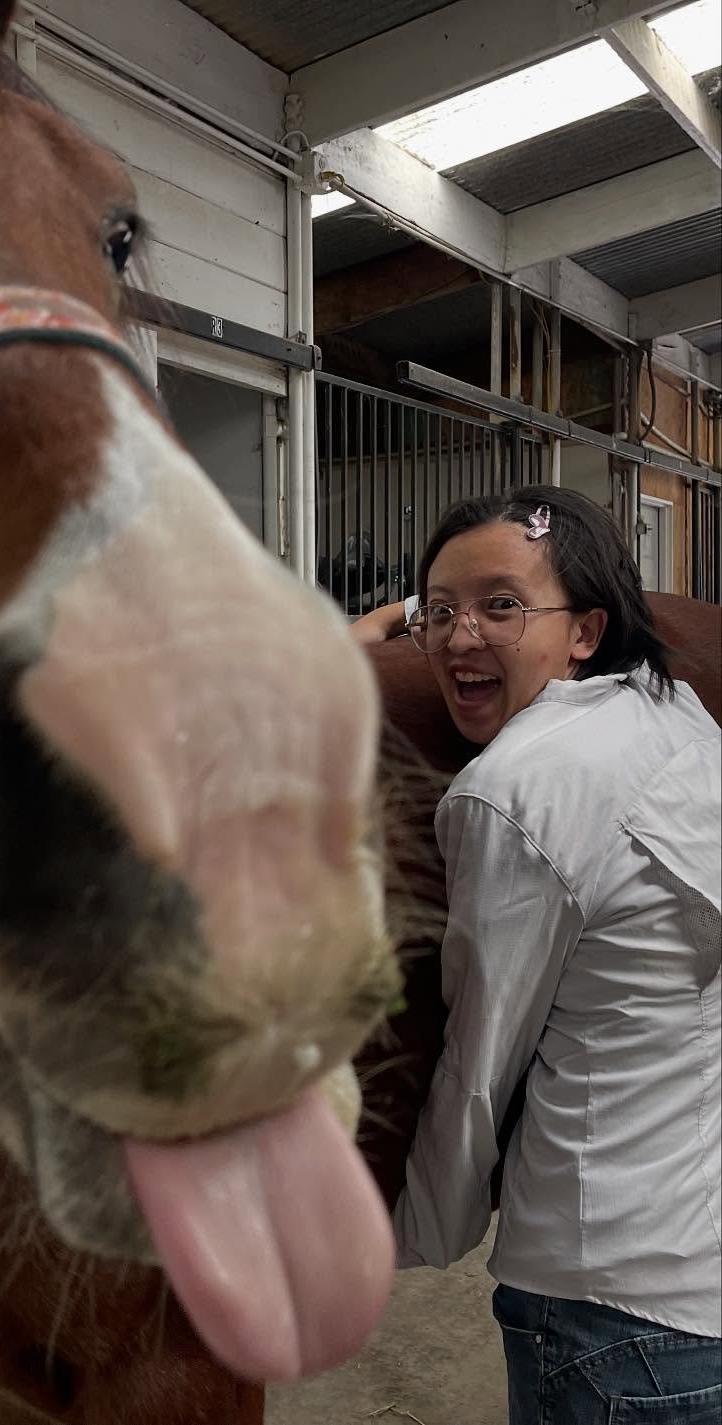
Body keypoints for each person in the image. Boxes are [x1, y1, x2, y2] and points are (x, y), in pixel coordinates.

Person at [382, 486, 721, 1423]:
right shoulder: (677, 718)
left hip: (604, 1311)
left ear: (585, 631)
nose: (459, 637)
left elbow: (478, 1068)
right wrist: (395, 618)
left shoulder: (516, 789)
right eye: (439, 611)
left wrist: (400, 1237)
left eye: (500, 605)